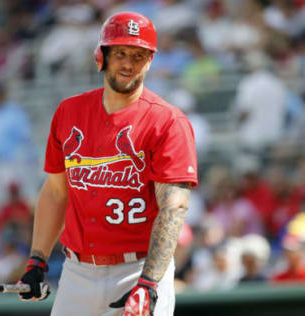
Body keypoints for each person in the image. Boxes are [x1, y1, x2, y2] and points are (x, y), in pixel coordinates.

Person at [18, 12, 198, 316]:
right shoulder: (69, 112)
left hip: (139, 267)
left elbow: (174, 208)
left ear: (150, 61)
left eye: (139, 55)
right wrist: (37, 259)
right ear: (101, 56)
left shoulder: (168, 122)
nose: (129, 63)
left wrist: (150, 282)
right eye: (121, 53)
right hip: (77, 271)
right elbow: (55, 193)